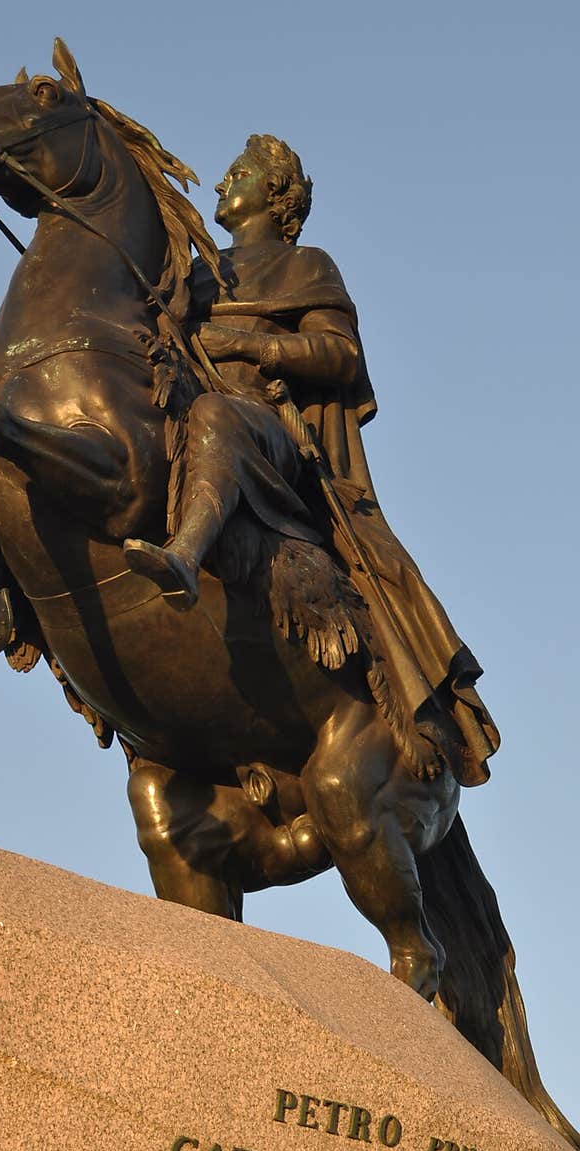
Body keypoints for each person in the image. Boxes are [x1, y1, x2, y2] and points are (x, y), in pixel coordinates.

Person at [123, 134, 498, 786]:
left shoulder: (307, 266)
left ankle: (184, 554)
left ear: (274, 195)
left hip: (265, 433)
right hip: (185, 419)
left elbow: (339, 355)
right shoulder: (195, 272)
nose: (218, 185)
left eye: (235, 174)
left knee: (217, 416)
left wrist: (243, 342)